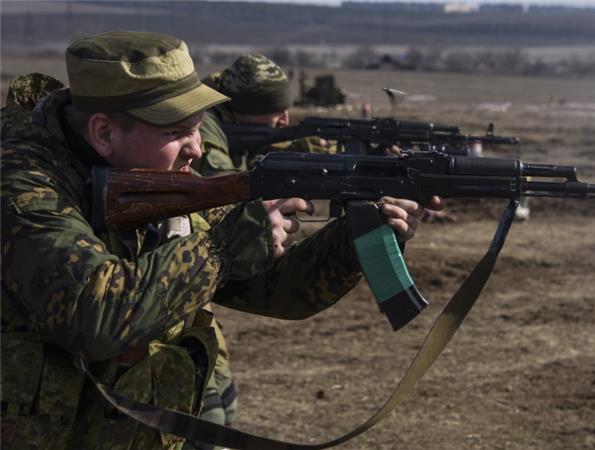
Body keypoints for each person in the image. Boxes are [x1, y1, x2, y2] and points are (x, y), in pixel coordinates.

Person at [1, 30, 442, 450]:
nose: (196, 149)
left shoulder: (163, 182)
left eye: (199, 127)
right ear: (103, 133)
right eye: (176, 132)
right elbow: (95, 316)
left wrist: (360, 234)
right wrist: (227, 246)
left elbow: (276, 290)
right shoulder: (23, 186)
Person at [192, 54, 331, 177]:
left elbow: (247, 159)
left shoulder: (231, 117)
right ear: (247, 108)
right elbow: (222, 189)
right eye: (277, 112)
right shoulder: (201, 124)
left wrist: (292, 153)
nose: (285, 120)